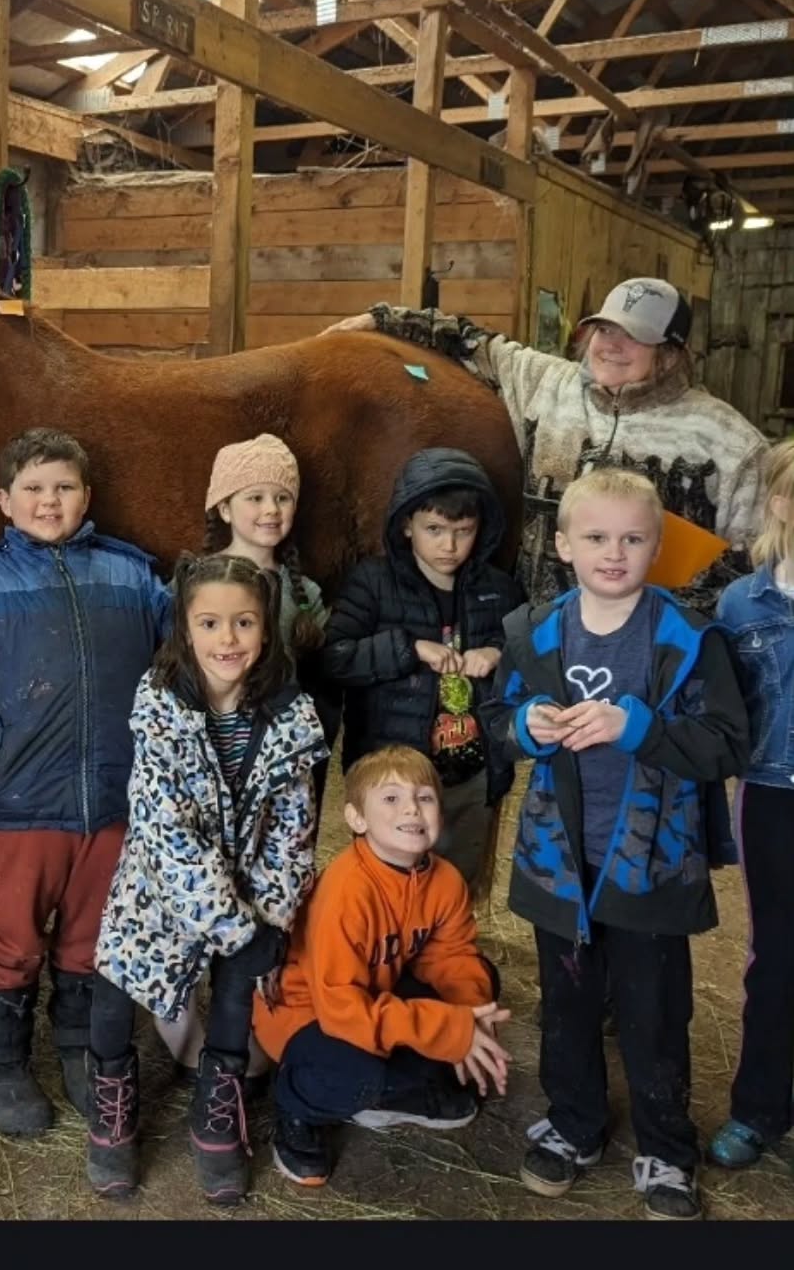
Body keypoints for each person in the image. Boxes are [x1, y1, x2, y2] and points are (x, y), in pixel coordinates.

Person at [486, 467, 748, 1221]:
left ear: (656, 546)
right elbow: (497, 726)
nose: (613, 552)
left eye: (633, 538)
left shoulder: (689, 641)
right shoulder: (533, 631)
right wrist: (525, 723)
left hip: (652, 864)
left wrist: (639, 728)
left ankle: (667, 1148)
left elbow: (726, 744)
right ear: (563, 543)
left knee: (654, 1010)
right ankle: (574, 1126)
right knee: (565, 1004)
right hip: (559, 859)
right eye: (596, 537)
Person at [0, 427, 169, 1138]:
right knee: (10, 932)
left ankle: (78, 1051)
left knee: (94, 934)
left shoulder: (130, 576)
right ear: (5, 500)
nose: (49, 500)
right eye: (33, 488)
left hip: (116, 794)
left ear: (86, 496)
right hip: (26, 795)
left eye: (63, 486)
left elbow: (175, 655)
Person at [84, 553, 327, 1204]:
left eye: (244, 623)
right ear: (185, 629)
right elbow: (166, 827)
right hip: (162, 884)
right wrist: (232, 925)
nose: (228, 640)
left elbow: (293, 825)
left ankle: (217, 1105)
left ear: (266, 631)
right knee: (116, 982)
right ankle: (112, 1100)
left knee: (236, 989)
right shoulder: (159, 705)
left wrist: (273, 911)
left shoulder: (291, 714)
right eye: (211, 623)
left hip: (248, 880)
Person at [321, 278, 767, 615]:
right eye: (604, 329)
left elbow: (753, 559)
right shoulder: (547, 382)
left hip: (654, 648)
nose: (611, 345)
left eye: (632, 335)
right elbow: (471, 340)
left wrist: (680, 622)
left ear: (671, 353)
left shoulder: (728, 440)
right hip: (544, 627)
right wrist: (381, 320)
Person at [155, 434, 334, 1083]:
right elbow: (170, 669)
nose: (270, 509)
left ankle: (252, 1015)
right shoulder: (191, 581)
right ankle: (182, 1022)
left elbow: (321, 677)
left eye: (282, 497)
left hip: (278, 766)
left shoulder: (303, 590)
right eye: (255, 495)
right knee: (202, 882)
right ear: (224, 505)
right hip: (211, 761)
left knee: (266, 884)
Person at [254, 745, 510, 1187]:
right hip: (309, 1016)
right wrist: (449, 1031)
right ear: (356, 819)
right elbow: (341, 1012)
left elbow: (452, 957)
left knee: (483, 979)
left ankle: (395, 1094)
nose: (411, 807)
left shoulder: (444, 879)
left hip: (376, 996)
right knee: (359, 1070)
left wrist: (470, 1020)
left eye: (424, 797)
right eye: (390, 798)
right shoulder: (347, 890)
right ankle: (297, 1110)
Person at [320, 448, 523, 890]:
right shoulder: (372, 583)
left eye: (463, 531)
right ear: (406, 525)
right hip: (393, 773)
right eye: (434, 529)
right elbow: (335, 657)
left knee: (456, 881)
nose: (449, 546)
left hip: (471, 771)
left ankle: (446, 955)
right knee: (389, 879)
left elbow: (530, 659)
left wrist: (499, 655)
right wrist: (409, 649)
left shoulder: (500, 590)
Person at [709, 437, 794, 1170]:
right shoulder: (743, 604)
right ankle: (761, 1106)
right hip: (773, 793)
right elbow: (725, 709)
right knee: (777, 954)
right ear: (779, 504)